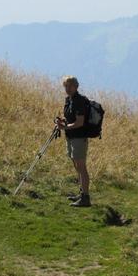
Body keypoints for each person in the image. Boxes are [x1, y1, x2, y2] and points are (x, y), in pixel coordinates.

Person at [55, 76, 92, 207]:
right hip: (71, 137)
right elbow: (70, 119)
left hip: (79, 138)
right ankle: (82, 193)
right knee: (77, 166)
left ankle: (85, 198)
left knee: (81, 167)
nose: (67, 89)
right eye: (65, 86)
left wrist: (64, 127)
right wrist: (63, 122)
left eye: (70, 86)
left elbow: (79, 122)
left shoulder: (79, 101)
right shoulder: (68, 100)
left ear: (76, 86)